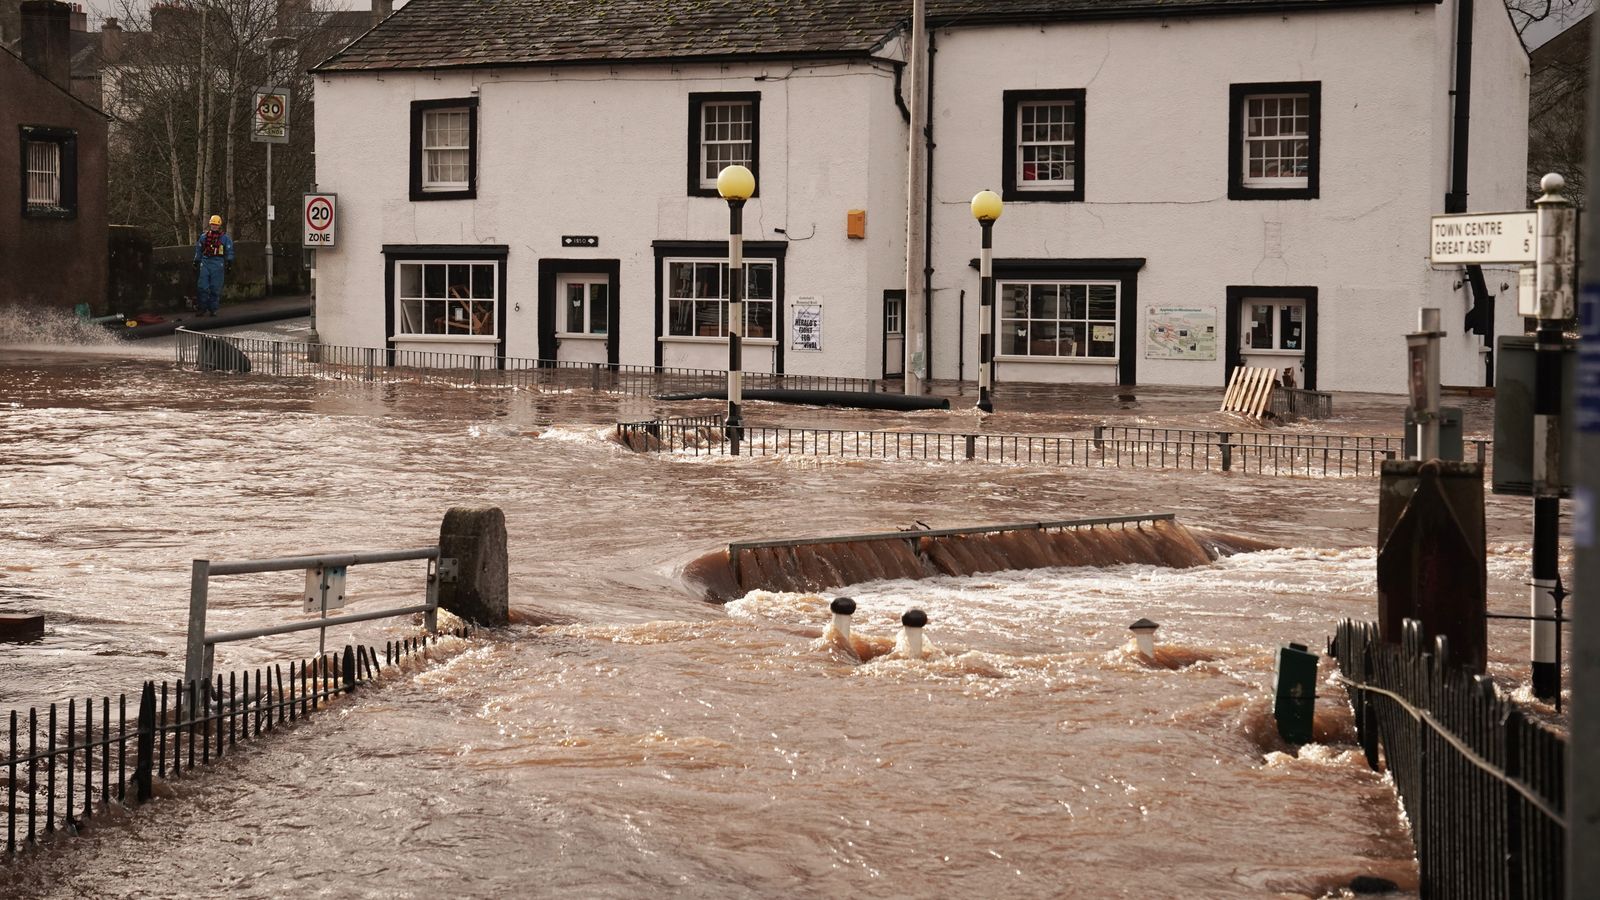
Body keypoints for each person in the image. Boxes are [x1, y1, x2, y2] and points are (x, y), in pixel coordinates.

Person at [192, 214, 234, 317]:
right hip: (206, 261)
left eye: (216, 225)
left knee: (215, 287)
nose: (214, 226)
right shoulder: (204, 237)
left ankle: (213, 309)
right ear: (210, 225)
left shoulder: (225, 238)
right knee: (202, 286)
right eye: (212, 224)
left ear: (219, 226)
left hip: (218, 263)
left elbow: (229, 251)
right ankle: (202, 308)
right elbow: (199, 250)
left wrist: (229, 263)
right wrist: (196, 261)